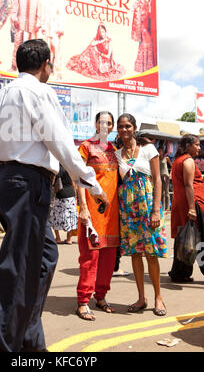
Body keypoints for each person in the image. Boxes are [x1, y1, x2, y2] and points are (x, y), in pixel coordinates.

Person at [0, 38, 108, 352]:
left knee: (45, 256)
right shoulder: (40, 91)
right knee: (16, 266)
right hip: (26, 182)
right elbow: (61, 142)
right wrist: (93, 183)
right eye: (52, 64)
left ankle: (30, 338)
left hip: (7, 181)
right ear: (45, 64)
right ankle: (7, 346)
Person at [115, 113, 167, 316]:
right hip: (128, 210)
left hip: (147, 208)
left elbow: (158, 180)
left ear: (134, 128)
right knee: (135, 254)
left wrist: (156, 210)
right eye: (121, 126)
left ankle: (158, 297)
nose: (124, 129)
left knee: (151, 253)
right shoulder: (118, 154)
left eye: (127, 126)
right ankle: (141, 298)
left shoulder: (148, 149)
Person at [76, 111, 120, 321]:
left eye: (109, 123)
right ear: (96, 124)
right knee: (90, 257)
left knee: (109, 259)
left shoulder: (114, 151)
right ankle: (83, 301)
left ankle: (101, 296)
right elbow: (79, 179)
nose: (105, 126)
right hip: (92, 213)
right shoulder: (85, 147)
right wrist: (83, 207)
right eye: (102, 122)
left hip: (112, 215)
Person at [168, 134, 204, 282]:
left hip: (182, 203)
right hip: (193, 203)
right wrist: (192, 208)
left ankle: (179, 273)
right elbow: (189, 185)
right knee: (200, 238)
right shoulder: (188, 161)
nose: (199, 147)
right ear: (188, 146)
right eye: (196, 144)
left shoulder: (178, 160)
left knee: (184, 237)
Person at [10, 0, 41, 70]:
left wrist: (38, 25)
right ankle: (14, 66)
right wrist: (14, 19)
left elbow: (39, 12)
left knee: (32, 49)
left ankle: (29, 70)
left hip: (32, 26)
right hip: (20, 24)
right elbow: (14, 6)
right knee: (17, 46)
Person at [41, 0, 65, 80]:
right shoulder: (44, 0)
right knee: (48, 51)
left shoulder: (57, 0)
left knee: (57, 51)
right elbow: (43, 15)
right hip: (47, 30)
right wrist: (43, 27)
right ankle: (48, 72)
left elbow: (61, 15)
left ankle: (58, 72)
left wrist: (61, 29)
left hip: (55, 30)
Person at [49, 164, 78, 245]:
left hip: (60, 194)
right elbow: (73, 183)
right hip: (70, 194)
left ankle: (58, 238)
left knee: (55, 216)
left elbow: (53, 181)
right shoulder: (69, 168)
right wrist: (75, 195)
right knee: (70, 216)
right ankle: (69, 239)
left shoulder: (56, 169)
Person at [131, 0, 155, 73]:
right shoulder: (137, 1)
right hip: (138, 27)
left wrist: (149, 6)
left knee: (146, 43)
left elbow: (149, 13)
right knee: (144, 44)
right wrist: (137, 8)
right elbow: (132, 9)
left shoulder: (146, 3)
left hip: (144, 26)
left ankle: (144, 66)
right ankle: (142, 66)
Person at [158, 147, 172, 212]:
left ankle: (168, 207)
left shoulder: (166, 158)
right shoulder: (157, 159)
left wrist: (170, 173)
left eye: (160, 151)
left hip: (165, 175)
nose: (159, 152)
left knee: (166, 192)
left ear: (163, 152)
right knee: (162, 193)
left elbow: (172, 166)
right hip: (160, 176)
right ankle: (163, 207)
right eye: (158, 151)